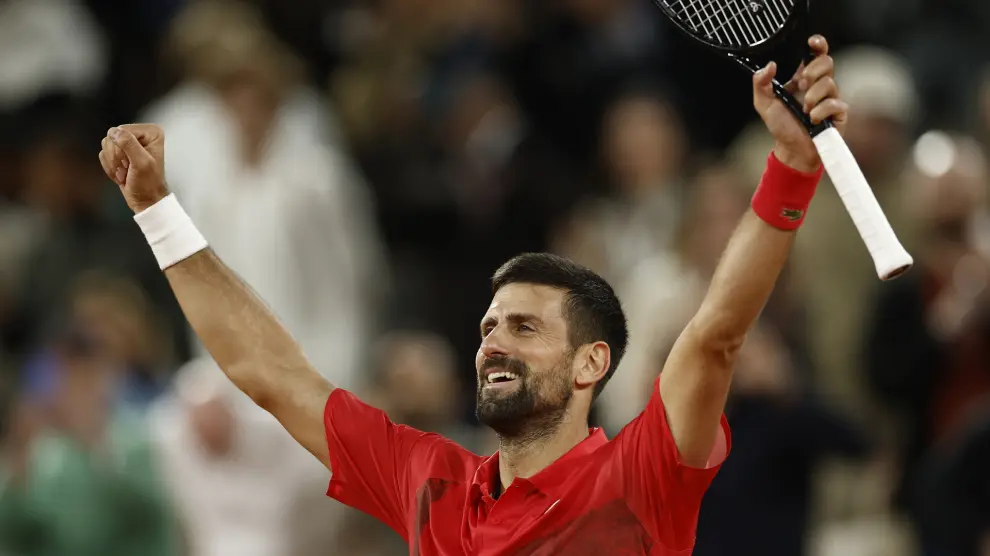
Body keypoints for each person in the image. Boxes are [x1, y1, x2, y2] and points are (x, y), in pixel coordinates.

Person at [97, 35, 849, 555]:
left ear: (591, 364)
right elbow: (269, 374)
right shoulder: (431, 483)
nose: (493, 341)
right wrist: (159, 211)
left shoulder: (642, 471)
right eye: (491, 325)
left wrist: (788, 164)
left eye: (525, 327)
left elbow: (715, 332)